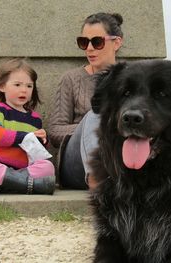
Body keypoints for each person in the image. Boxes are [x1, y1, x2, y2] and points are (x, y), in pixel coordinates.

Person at [49, 13, 124, 189]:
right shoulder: (71, 79)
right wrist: (92, 126)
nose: (89, 48)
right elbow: (54, 131)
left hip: (119, 158)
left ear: (117, 43)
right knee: (95, 115)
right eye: (84, 42)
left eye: (97, 42)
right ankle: (99, 181)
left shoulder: (130, 78)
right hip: (76, 165)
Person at [0, 58, 55, 195]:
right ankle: (29, 185)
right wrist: (24, 136)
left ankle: (3, 184)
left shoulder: (35, 118)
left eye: (29, 86)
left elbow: (36, 151)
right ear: (2, 86)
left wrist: (43, 141)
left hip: (24, 167)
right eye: (17, 85)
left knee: (48, 167)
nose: (24, 90)